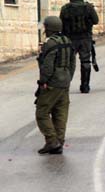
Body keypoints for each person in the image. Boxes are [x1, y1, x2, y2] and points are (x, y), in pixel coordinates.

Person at [35, 16, 76, 155]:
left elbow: (48, 65)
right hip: (65, 81)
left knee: (42, 112)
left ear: (49, 28)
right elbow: (72, 63)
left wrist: (43, 81)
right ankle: (59, 142)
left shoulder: (50, 43)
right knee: (60, 113)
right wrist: (68, 77)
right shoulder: (67, 41)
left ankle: (52, 141)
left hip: (53, 82)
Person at [60, 0, 99, 93]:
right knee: (85, 61)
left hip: (70, 39)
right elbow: (96, 21)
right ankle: (85, 86)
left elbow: (61, 24)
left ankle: (65, 85)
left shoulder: (65, 8)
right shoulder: (88, 7)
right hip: (85, 38)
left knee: (67, 62)